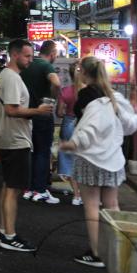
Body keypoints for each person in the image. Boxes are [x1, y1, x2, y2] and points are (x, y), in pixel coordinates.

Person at [59, 56, 137, 268]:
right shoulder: (114, 96)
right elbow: (132, 125)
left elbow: (90, 128)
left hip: (91, 158)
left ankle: (97, 254)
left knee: (92, 206)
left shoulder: (88, 97)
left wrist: (73, 143)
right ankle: (116, 249)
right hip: (113, 158)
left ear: (84, 73)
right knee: (112, 205)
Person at [0, 39, 54, 253]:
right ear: (15, 55)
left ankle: (3, 230)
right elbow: (11, 109)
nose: (30, 60)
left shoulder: (11, 76)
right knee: (13, 189)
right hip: (14, 139)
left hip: (12, 137)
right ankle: (10, 235)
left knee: (8, 186)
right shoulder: (10, 77)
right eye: (27, 56)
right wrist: (38, 111)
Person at [20, 40, 61, 204]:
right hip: (42, 114)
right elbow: (56, 83)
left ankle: (29, 188)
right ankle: (40, 190)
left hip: (26, 114)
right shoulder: (46, 66)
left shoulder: (27, 66)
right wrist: (51, 100)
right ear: (52, 53)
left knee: (31, 151)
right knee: (43, 152)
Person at [56, 63, 83, 206]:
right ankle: (87, 194)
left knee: (70, 159)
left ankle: (76, 196)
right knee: (85, 158)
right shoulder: (89, 91)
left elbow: (59, 112)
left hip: (69, 123)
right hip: (85, 124)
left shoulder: (65, 91)